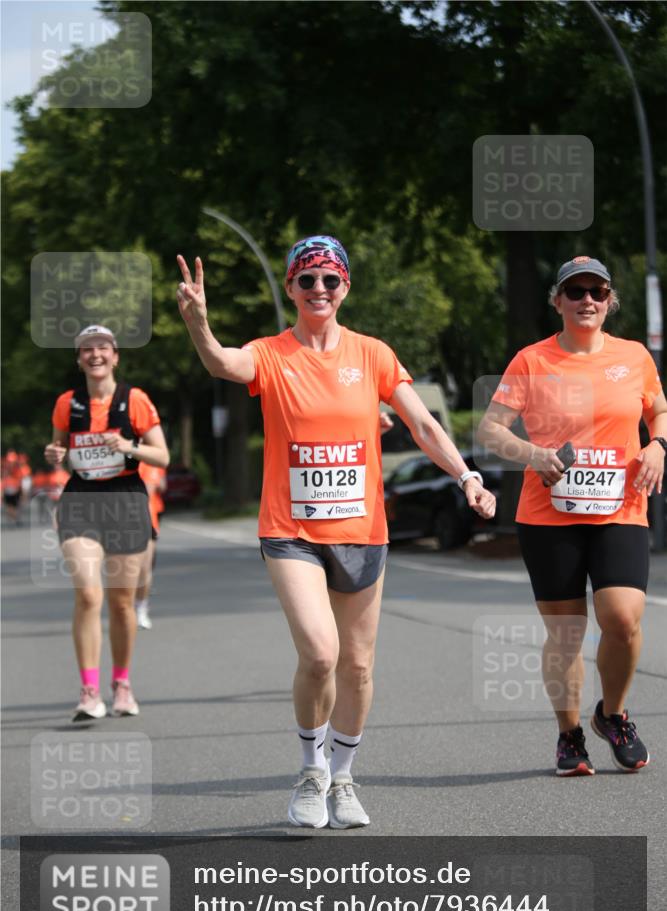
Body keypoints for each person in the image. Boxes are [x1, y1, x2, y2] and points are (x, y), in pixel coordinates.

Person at [176, 236, 496, 828]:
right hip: (291, 529)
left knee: (358, 667)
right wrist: (199, 323)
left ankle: (344, 778)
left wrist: (466, 476)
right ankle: (310, 771)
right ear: (293, 290)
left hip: (362, 530)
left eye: (330, 279)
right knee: (320, 655)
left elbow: (422, 422)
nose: (318, 289)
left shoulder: (373, 354)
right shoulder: (270, 353)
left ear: (346, 287)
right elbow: (222, 362)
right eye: (306, 280)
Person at [478, 256, 667, 776]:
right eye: (576, 291)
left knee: (623, 618)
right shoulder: (532, 361)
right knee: (565, 633)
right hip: (548, 515)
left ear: (609, 302)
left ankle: (614, 713)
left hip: (621, 508)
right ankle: (569, 736)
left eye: (597, 292)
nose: (587, 300)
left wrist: (659, 446)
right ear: (557, 301)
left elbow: (659, 409)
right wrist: (533, 455)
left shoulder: (633, 357)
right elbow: (491, 430)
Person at [44, 325, 169, 721]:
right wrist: (53, 454)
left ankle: (122, 683)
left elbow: (162, 456)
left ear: (115, 356)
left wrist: (130, 446)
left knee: (120, 602)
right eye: (86, 349)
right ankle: (88, 691)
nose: (94, 354)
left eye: (102, 348)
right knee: (88, 595)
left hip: (126, 499)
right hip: (81, 500)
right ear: (79, 358)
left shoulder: (135, 400)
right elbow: (59, 448)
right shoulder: (67, 403)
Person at [135, 461, 167, 629]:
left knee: (144, 568)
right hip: (119, 520)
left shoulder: (150, 461)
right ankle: (126, 607)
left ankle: (141, 608)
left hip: (147, 520)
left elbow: (151, 489)